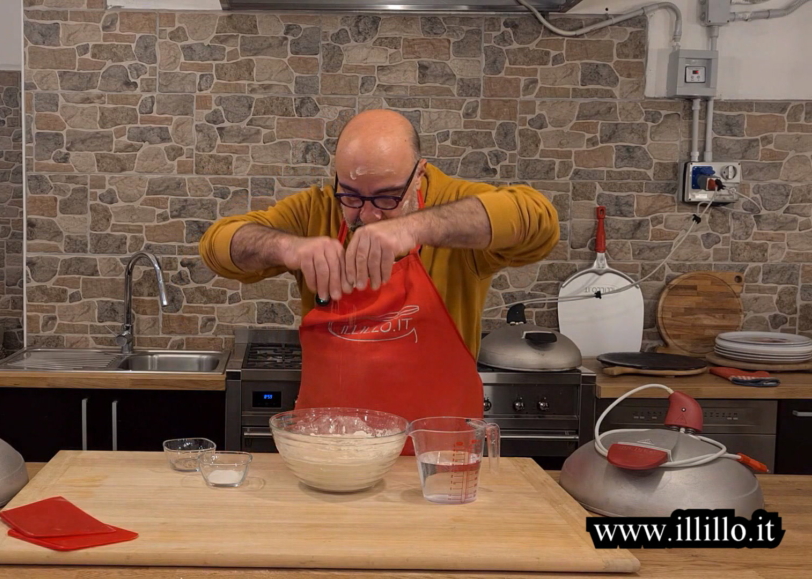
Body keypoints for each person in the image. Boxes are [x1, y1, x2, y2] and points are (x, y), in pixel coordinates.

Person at [199, 109, 559, 448]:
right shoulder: (316, 210)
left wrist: (415, 226)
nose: (368, 215)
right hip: (327, 449)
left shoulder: (452, 202)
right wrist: (286, 247)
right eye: (352, 197)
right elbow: (217, 246)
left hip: (435, 458)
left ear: (419, 173)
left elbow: (538, 220)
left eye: (387, 198)